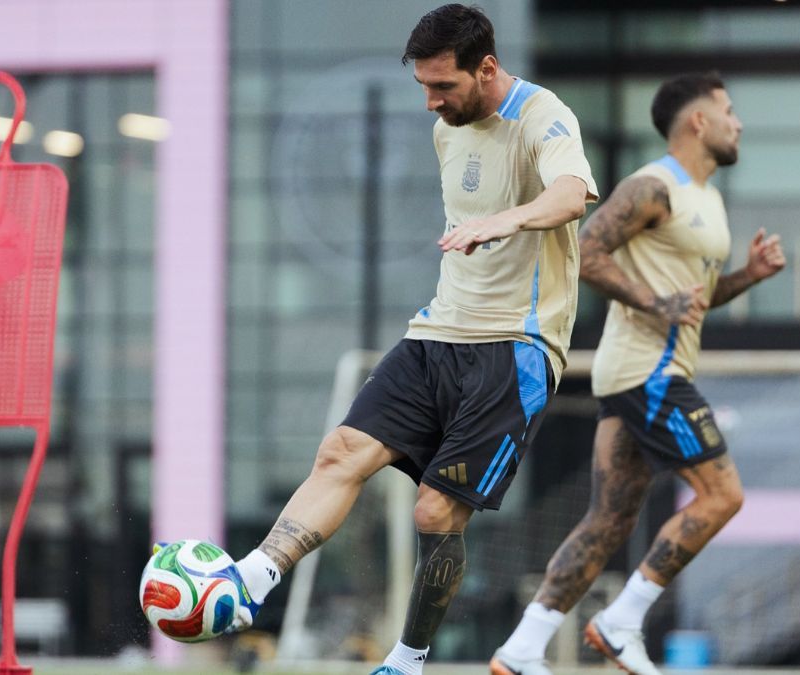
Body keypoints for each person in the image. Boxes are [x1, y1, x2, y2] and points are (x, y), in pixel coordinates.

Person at [215, 5, 598, 675]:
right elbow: (465, 195)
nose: (430, 102)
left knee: (434, 510)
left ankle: (408, 658)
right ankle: (252, 578)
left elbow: (571, 195)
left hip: (516, 348)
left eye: (442, 86)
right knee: (340, 451)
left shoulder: (544, 116)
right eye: (422, 86)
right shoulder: (448, 130)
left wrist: (504, 221)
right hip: (436, 333)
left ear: (486, 68)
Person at [489, 72, 786, 675]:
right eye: (729, 110)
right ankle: (623, 620)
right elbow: (589, 251)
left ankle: (521, 649)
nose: (739, 123)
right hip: (647, 373)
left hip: (641, 375)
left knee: (609, 519)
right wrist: (654, 305)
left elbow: (692, 298)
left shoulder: (709, 199)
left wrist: (745, 278)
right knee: (722, 495)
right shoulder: (654, 186)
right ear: (697, 121)